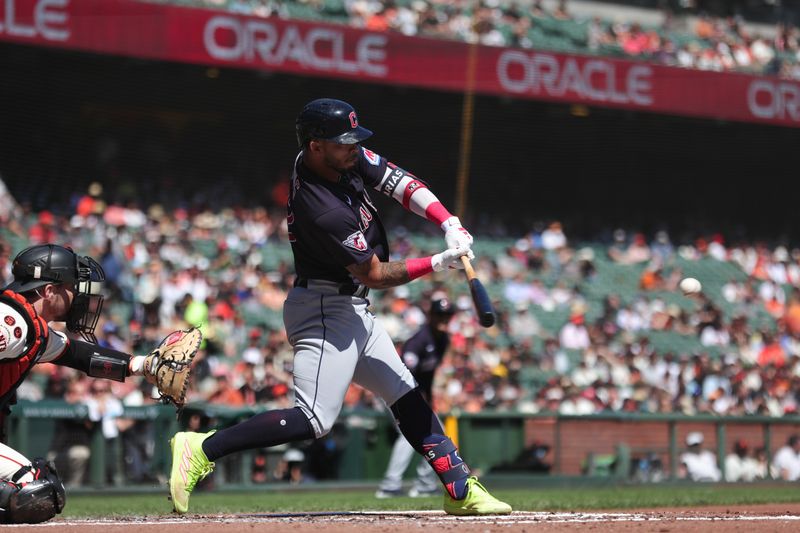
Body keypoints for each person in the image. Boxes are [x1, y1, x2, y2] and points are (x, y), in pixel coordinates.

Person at [168, 98, 511, 516]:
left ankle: (460, 488)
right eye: (343, 141)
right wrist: (438, 262)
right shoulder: (321, 206)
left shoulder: (334, 160)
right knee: (313, 419)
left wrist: (447, 221)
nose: (353, 148)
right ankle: (201, 447)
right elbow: (375, 275)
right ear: (315, 145)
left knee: (405, 394)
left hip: (350, 308)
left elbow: (399, 182)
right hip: (325, 308)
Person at [0, 244, 168, 523]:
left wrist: (143, 365)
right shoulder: (12, 322)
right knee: (36, 489)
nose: (76, 294)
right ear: (49, 291)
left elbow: (78, 354)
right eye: (70, 286)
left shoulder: (32, 325)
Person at [375, 297, 455, 498]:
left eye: (447, 315)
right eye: (439, 315)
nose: (443, 319)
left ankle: (424, 484)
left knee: (437, 433)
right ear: (430, 316)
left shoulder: (443, 339)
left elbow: (429, 375)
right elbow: (404, 374)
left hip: (416, 394)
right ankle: (391, 484)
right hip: (395, 391)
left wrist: (428, 399)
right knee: (409, 434)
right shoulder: (418, 341)